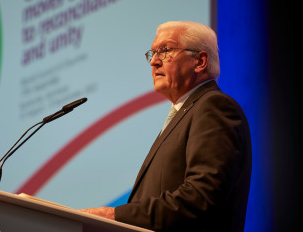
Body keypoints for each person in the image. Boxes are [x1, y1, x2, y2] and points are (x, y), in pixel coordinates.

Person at [79, 21, 252, 232]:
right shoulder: (185, 112)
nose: (154, 62)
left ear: (199, 61)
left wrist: (114, 215)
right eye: (152, 53)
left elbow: (202, 198)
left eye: (165, 51)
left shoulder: (214, 106)